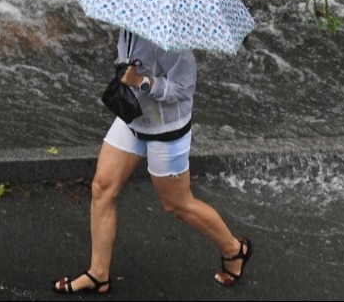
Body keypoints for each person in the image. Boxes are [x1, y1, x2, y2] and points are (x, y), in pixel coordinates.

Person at [52, 28, 252, 294]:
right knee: (102, 187)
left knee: (177, 204)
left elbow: (183, 90)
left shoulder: (173, 41)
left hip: (165, 128)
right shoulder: (128, 25)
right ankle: (98, 274)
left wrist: (141, 82)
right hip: (133, 117)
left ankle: (234, 249)